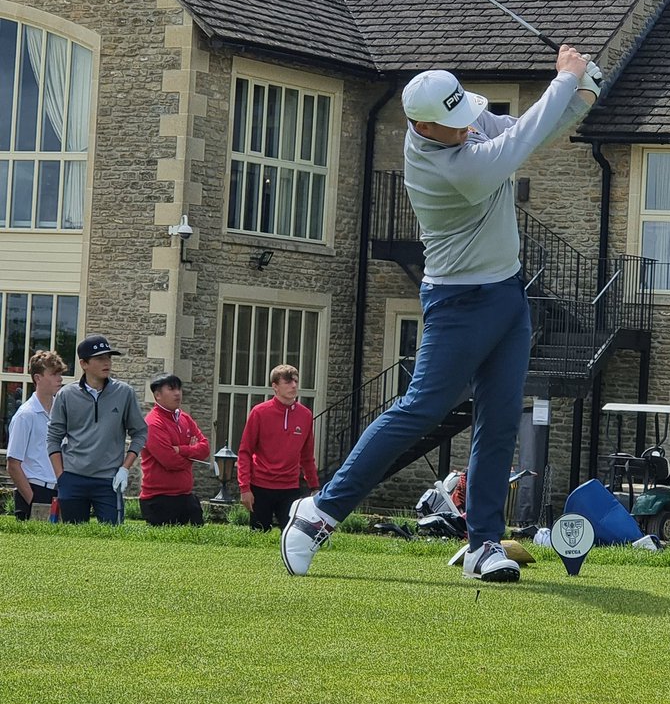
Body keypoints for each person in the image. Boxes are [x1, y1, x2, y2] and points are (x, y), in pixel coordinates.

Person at [280, 44, 602, 581]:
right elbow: (516, 145)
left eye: (464, 116)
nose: (466, 127)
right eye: (453, 125)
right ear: (422, 127)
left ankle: (482, 545)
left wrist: (581, 97)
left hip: (508, 294)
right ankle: (320, 511)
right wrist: (567, 81)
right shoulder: (446, 168)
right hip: (458, 302)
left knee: (500, 421)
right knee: (420, 409)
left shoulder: (459, 122)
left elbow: (525, 129)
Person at [46, 334, 147, 523]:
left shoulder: (124, 393)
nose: (107, 362)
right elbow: (53, 437)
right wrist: (61, 476)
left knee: (113, 536)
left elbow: (140, 432)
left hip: (109, 480)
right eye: (100, 358)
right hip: (73, 479)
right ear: (83, 363)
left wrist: (125, 468)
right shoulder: (66, 395)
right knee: (73, 537)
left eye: (108, 357)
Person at [237, 364, 320, 532]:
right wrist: (244, 488)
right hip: (260, 486)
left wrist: (314, 487)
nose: (294, 386)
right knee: (259, 536)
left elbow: (307, 456)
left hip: (290, 487)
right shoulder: (259, 412)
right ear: (275, 386)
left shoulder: (305, 415)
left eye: (296, 381)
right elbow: (245, 452)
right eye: (288, 382)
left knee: (292, 536)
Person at [139, 372, 210, 526]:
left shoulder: (185, 418)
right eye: (171, 389)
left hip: (185, 496)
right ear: (157, 395)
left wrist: (182, 450)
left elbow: (205, 448)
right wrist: (192, 453)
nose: (177, 393)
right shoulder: (153, 423)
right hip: (160, 499)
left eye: (179, 389)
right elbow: (170, 461)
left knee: (197, 537)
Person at [6, 350, 67, 520]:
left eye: (60, 374)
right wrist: (33, 501)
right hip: (35, 490)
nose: (60, 379)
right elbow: (13, 464)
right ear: (37, 378)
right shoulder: (25, 415)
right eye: (54, 374)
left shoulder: (61, 413)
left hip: (59, 490)